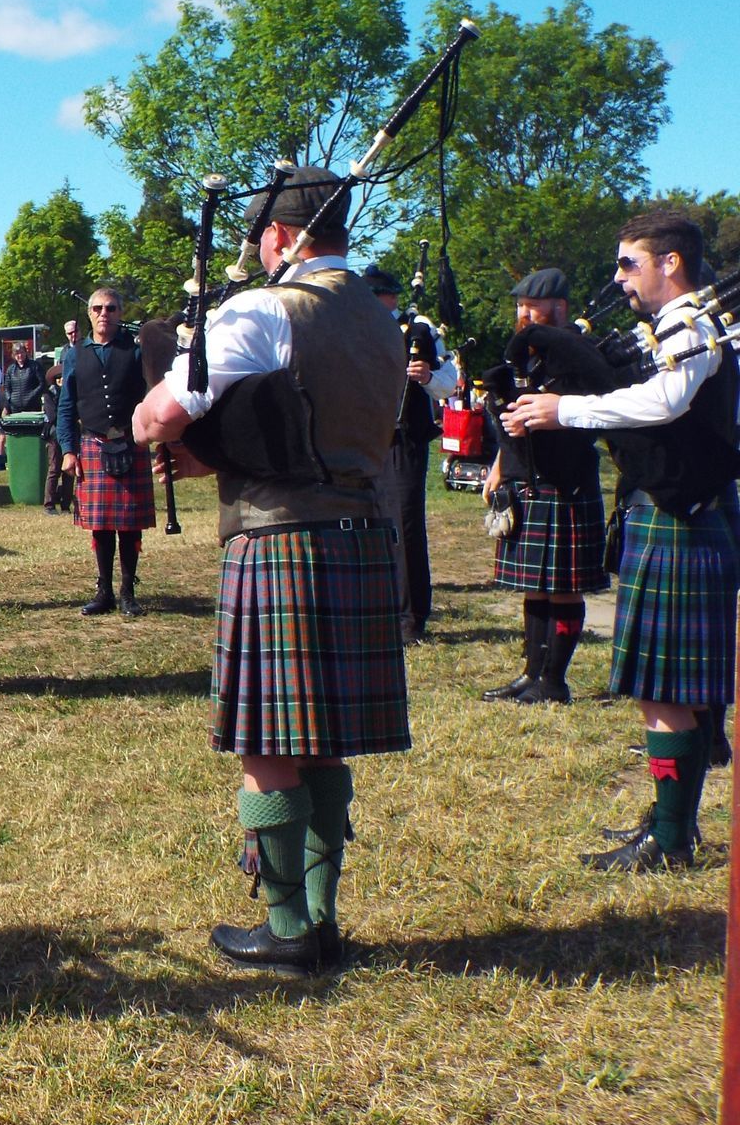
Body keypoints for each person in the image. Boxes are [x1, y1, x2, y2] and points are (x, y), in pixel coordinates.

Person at [134, 164, 408, 976]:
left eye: (261, 240)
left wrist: (169, 410)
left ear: (281, 236)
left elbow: (161, 414)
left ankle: (285, 929)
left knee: (272, 739)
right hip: (360, 531)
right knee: (324, 741)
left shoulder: (264, 307)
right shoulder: (380, 318)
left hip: (280, 538)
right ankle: (322, 919)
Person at [501, 210, 739, 872]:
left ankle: (668, 840)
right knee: (669, 691)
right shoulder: (673, 327)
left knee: (663, 692)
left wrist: (564, 411)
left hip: (679, 520)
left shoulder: (690, 324)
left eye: (628, 263)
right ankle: (672, 828)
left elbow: (666, 401)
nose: (618, 277)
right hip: (673, 514)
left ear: (671, 263)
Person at [478, 268, 607, 705]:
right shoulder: (529, 354)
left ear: (560, 308)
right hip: (527, 479)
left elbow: (589, 411)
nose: (524, 313)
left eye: (532, 306)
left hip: (565, 481)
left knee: (563, 585)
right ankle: (531, 674)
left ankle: (555, 681)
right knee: (534, 584)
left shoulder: (580, 352)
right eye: (519, 306)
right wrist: (499, 463)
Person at [363, 268, 459, 642]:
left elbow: (449, 383)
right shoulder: (353, 326)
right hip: (363, 437)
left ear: (391, 297)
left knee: (403, 526)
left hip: (404, 440)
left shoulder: (419, 329)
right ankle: (373, 609)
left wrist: (426, 377)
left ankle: (410, 617)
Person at [58, 287, 154, 617]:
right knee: (100, 525)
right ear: (89, 314)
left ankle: (128, 592)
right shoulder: (75, 354)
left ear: (120, 312)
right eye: (98, 308)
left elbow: (151, 394)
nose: (104, 313)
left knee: (129, 524)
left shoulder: (135, 350)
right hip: (93, 443)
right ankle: (104, 591)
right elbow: (66, 406)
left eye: (111, 308)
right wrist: (69, 450)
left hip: (130, 442)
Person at [43, 317, 81, 514]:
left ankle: (66, 503)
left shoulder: (84, 349)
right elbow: (53, 414)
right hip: (56, 432)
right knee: (54, 469)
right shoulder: (50, 394)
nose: (61, 380)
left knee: (70, 471)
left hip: (74, 428)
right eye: (58, 378)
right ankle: (49, 504)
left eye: (74, 332)